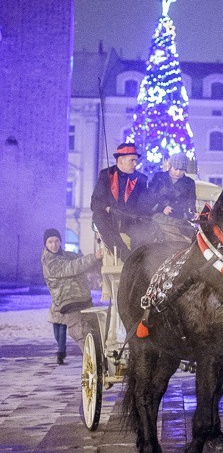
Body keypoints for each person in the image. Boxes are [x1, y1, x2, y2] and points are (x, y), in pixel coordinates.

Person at [41, 228, 103, 364]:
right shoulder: (49, 262)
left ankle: (101, 361)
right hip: (68, 304)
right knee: (82, 334)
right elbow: (72, 267)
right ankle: (93, 365)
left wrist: (100, 263)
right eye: (50, 241)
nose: (54, 244)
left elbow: (85, 265)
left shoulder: (70, 255)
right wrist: (94, 257)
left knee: (96, 332)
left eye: (56, 241)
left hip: (85, 301)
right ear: (45, 244)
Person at [90, 143, 149, 260]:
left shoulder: (141, 179)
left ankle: (138, 259)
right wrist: (108, 208)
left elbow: (144, 205)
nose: (135, 164)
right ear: (121, 160)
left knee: (144, 226)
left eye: (136, 161)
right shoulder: (105, 174)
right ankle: (124, 255)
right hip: (110, 220)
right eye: (132, 161)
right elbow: (95, 202)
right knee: (98, 216)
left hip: (130, 220)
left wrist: (134, 215)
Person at [146, 151, 196, 221]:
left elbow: (191, 206)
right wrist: (162, 208)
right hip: (156, 217)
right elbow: (149, 197)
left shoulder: (189, 183)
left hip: (179, 221)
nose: (178, 172)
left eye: (181, 170)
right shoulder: (159, 177)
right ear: (170, 166)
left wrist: (182, 215)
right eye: (176, 169)